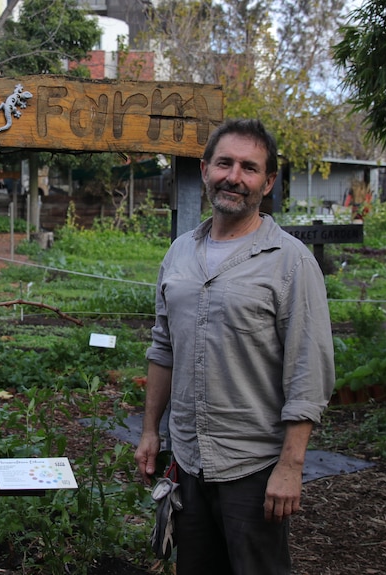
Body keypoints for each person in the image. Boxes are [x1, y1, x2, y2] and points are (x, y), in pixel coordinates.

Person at [134, 119, 335, 575]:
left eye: (249, 167)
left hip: (254, 466)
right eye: (225, 163)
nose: (234, 177)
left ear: (268, 181)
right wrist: (151, 430)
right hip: (188, 457)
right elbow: (163, 348)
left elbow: (309, 370)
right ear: (205, 170)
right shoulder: (179, 253)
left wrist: (291, 465)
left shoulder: (290, 263)